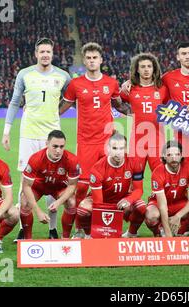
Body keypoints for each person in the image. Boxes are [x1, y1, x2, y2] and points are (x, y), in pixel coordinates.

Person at [2, 37, 71, 240]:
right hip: (29, 134)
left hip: (52, 136)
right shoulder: (25, 74)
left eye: (48, 52)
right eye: (41, 52)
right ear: (36, 54)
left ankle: (52, 229)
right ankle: (24, 228)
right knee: (26, 181)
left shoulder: (63, 76)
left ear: (52, 53)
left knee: (53, 181)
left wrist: (56, 113)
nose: (45, 55)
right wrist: (6, 131)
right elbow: (15, 102)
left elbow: (70, 99)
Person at [60, 42, 129, 234]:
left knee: (109, 185)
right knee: (81, 188)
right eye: (88, 58)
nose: (91, 61)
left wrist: (136, 111)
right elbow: (61, 108)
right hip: (86, 143)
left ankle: (104, 227)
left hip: (108, 143)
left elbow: (120, 106)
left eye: (95, 57)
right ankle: (79, 229)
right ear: (84, 60)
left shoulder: (111, 83)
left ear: (101, 60)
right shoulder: (76, 84)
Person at [75, 132, 146, 238]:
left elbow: (139, 190)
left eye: (121, 148)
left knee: (141, 207)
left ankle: (131, 234)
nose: (118, 152)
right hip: (102, 201)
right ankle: (89, 235)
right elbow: (99, 203)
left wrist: (129, 200)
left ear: (126, 149)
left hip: (122, 199)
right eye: (114, 148)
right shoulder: (97, 169)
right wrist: (107, 229)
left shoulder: (134, 162)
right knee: (82, 210)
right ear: (108, 148)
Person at [20, 130, 80, 239]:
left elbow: (72, 185)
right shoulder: (36, 158)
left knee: (72, 202)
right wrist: (38, 211)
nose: (58, 150)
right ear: (47, 144)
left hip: (59, 187)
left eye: (62, 147)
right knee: (24, 202)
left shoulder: (72, 159)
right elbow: (26, 186)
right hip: (39, 186)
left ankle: (65, 238)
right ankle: (28, 240)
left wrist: (59, 202)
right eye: (55, 146)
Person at [120, 52, 169, 173]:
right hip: (137, 142)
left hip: (158, 141)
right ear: (136, 69)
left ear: (154, 69)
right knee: (134, 180)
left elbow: (171, 107)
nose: (146, 69)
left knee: (161, 179)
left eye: (149, 66)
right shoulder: (129, 89)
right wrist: (128, 112)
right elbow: (117, 103)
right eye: (142, 67)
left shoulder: (163, 89)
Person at [145, 141, 189, 237]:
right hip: (158, 203)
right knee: (151, 216)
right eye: (169, 155)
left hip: (179, 202)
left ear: (181, 156)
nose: (174, 158)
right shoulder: (157, 173)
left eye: (177, 154)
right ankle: (159, 233)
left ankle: (180, 232)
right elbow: (162, 205)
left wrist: (178, 216)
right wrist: (168, 236)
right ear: (164, 156)